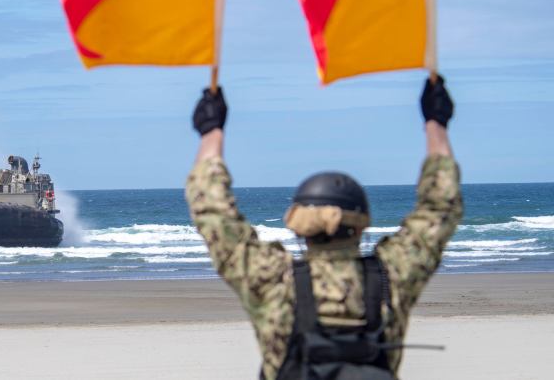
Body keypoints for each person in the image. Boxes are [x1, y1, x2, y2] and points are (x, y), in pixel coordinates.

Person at [185, 77, 463, 379]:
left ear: (300, 229)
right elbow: (440, 208)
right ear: (360, 227)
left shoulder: (272, 280)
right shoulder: (393, 275)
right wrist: (436, 124)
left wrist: (211, 130)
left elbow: (212, 211)